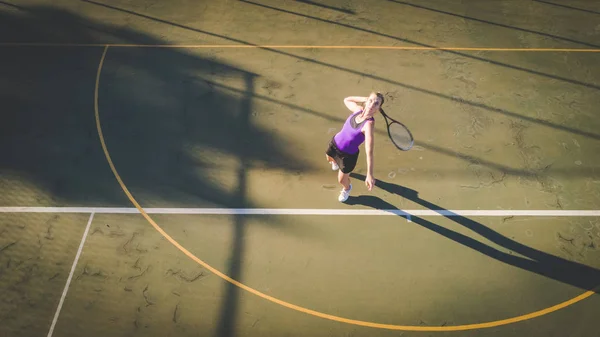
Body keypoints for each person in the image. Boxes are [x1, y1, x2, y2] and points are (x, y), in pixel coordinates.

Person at [325, 92, 384, 202]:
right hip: (334, 144)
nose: (372, 105)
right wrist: (365, 99)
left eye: (376, 104)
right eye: (370, 101)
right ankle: (334, 162)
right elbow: (347, 99)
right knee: (329, 157)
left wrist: (369, 174)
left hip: (347, 156)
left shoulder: (368, 125)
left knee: (342, 181)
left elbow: (369, 152)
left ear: (378, 108)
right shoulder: (357, 110)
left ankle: (347, 188)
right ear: (366, 101)